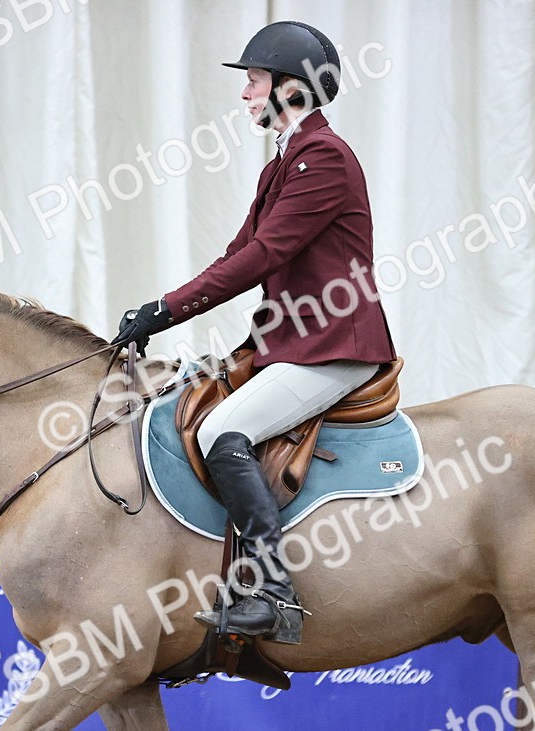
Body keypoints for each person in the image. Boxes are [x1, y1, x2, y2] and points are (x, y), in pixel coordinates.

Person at [113, 20, 396, 645]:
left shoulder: (323, 158)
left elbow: (263, 255)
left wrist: (166, 310)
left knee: (221, 430)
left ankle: (273, 591)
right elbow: (237, 251)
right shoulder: (283, 163)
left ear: (292, 90)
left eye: (255, 82)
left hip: (334, 346)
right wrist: (159, 308)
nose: (245, 95)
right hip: (295, 343)